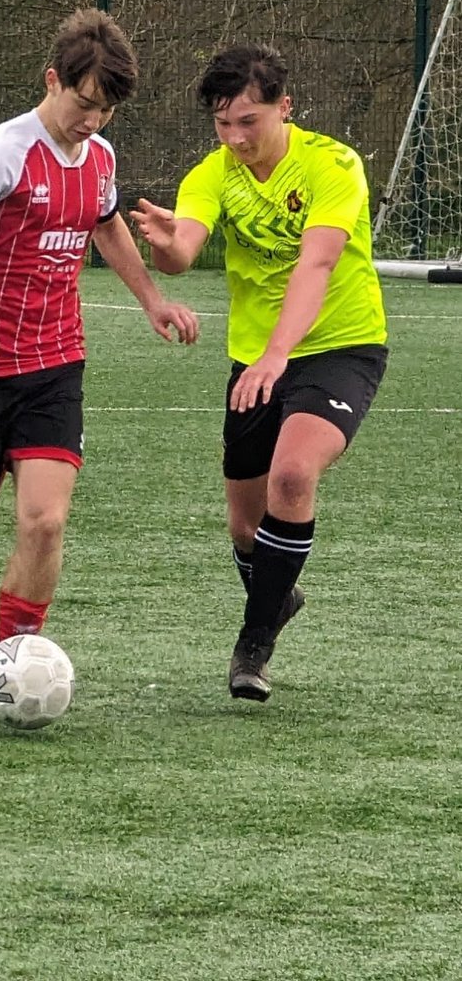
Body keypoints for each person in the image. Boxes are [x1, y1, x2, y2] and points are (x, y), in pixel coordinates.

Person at [0, 7, 199, 644]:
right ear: (51, 79)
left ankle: (13, 657)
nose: (92, 120)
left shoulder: (99, 158)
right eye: (84, 103)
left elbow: (106, 225)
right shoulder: (1, 152)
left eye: (105, 111)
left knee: (45, 522)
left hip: (55, 361)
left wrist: (152, 301)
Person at [132, 43, 388, 703]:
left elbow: (316, 266)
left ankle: (253, 645)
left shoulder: (332, 164)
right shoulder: (211, 175)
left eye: (248, 121)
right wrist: (165, 249)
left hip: (340, 345)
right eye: (222, 125)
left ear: (284, 106)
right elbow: (184, 250)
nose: (235, 137)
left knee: (293, 475)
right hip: (254, 359)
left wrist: (278, 355)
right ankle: (277, 593)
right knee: (246, 529)